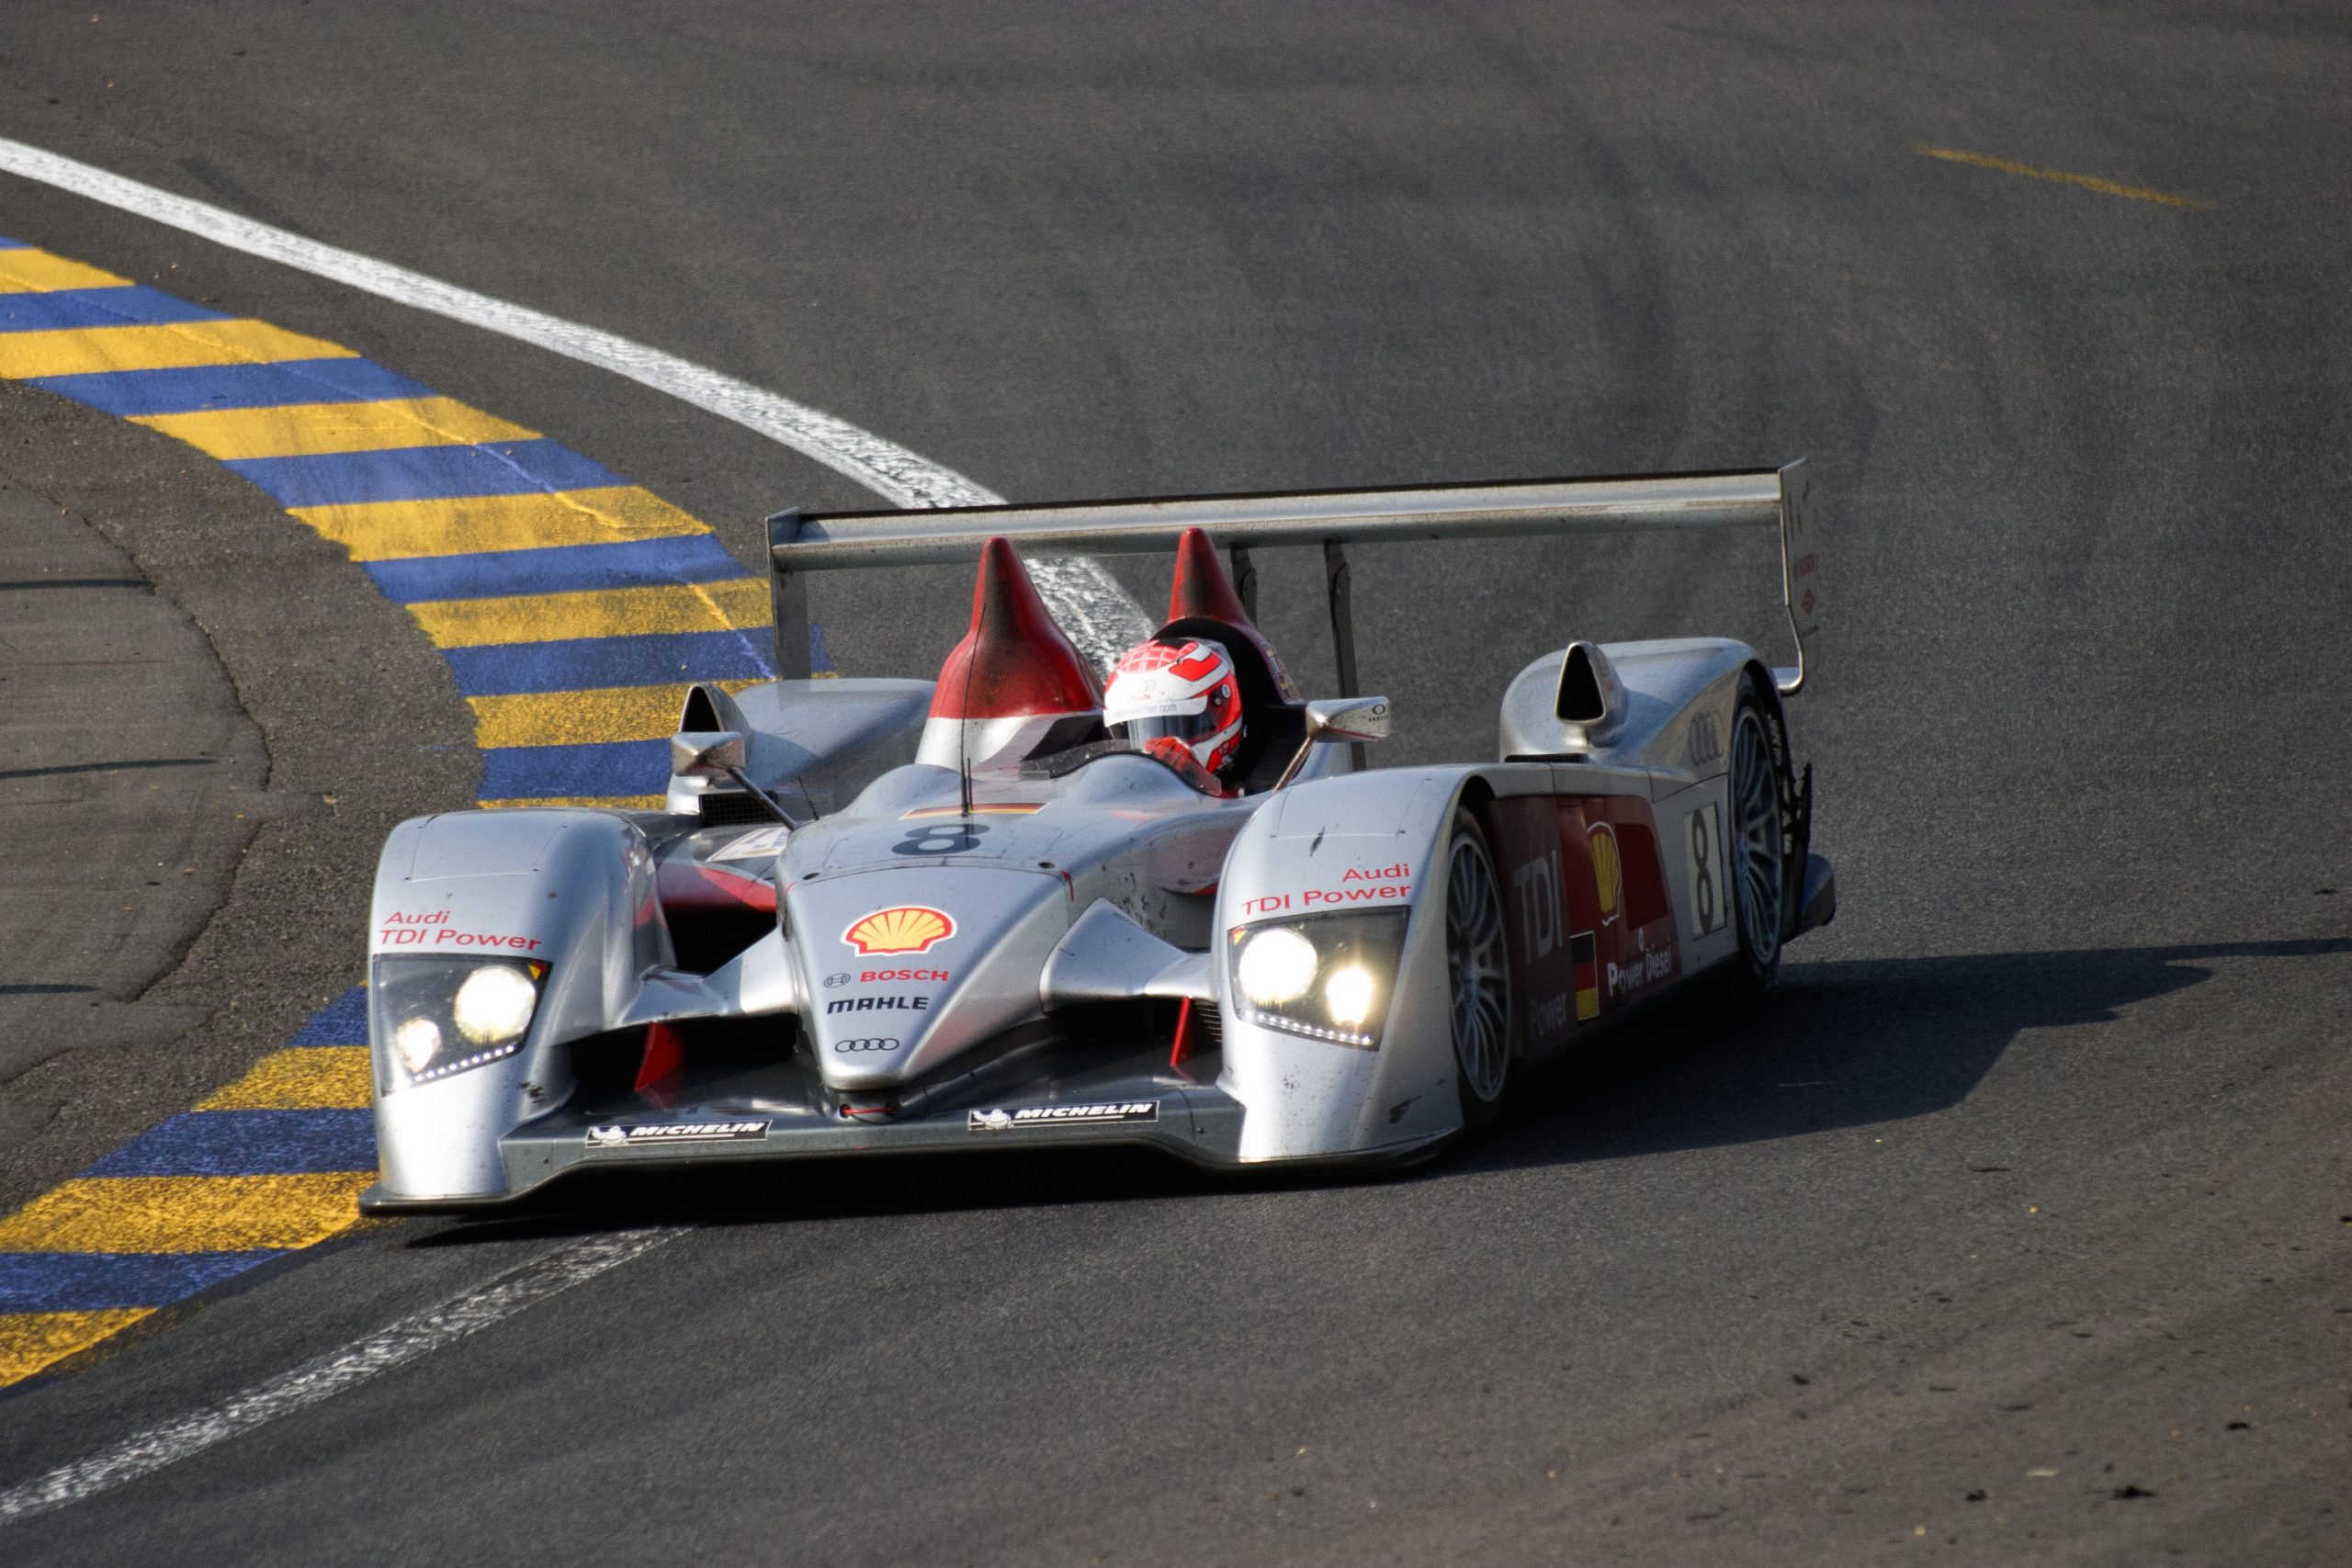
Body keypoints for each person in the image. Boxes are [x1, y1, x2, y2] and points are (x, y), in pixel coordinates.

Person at [1102, 636, 1246, 794]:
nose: (1155, 751)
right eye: (1136, 732)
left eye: (1179, 727)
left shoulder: (1268, 788)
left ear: (1222, 710)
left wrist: (1193, 777)